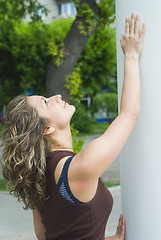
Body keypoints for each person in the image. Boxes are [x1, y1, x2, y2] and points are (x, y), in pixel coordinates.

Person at [0, 13, 146, 240]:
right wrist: (132, 56)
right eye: (46, 102)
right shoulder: (78, 168)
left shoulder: (39, 174)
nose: (57, 96)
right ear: (45, 129)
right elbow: (129, 114)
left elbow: (46, 235)